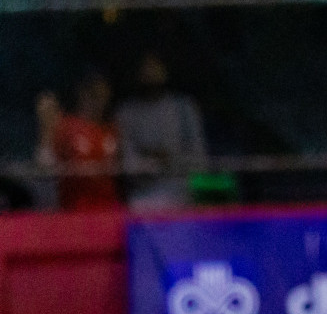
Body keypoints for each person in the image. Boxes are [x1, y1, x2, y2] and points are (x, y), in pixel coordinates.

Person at [116, 53, 207, 210]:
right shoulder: (126, 113)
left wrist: (169, 159)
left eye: (155, 67)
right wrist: (151, 161)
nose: (150, 73)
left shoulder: (184, 108)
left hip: (182, 193)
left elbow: (199, 158)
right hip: (143, 197)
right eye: (146, 68)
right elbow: (128, 162)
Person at [35, 71, 120, 210]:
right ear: (82, 94)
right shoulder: (66, 126)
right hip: (75, 210)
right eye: (93, 95)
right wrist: (46, 130)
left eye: (102, 96)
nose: (98, 101)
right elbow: (45, 165)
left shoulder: (112, 129)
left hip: (109, 209)